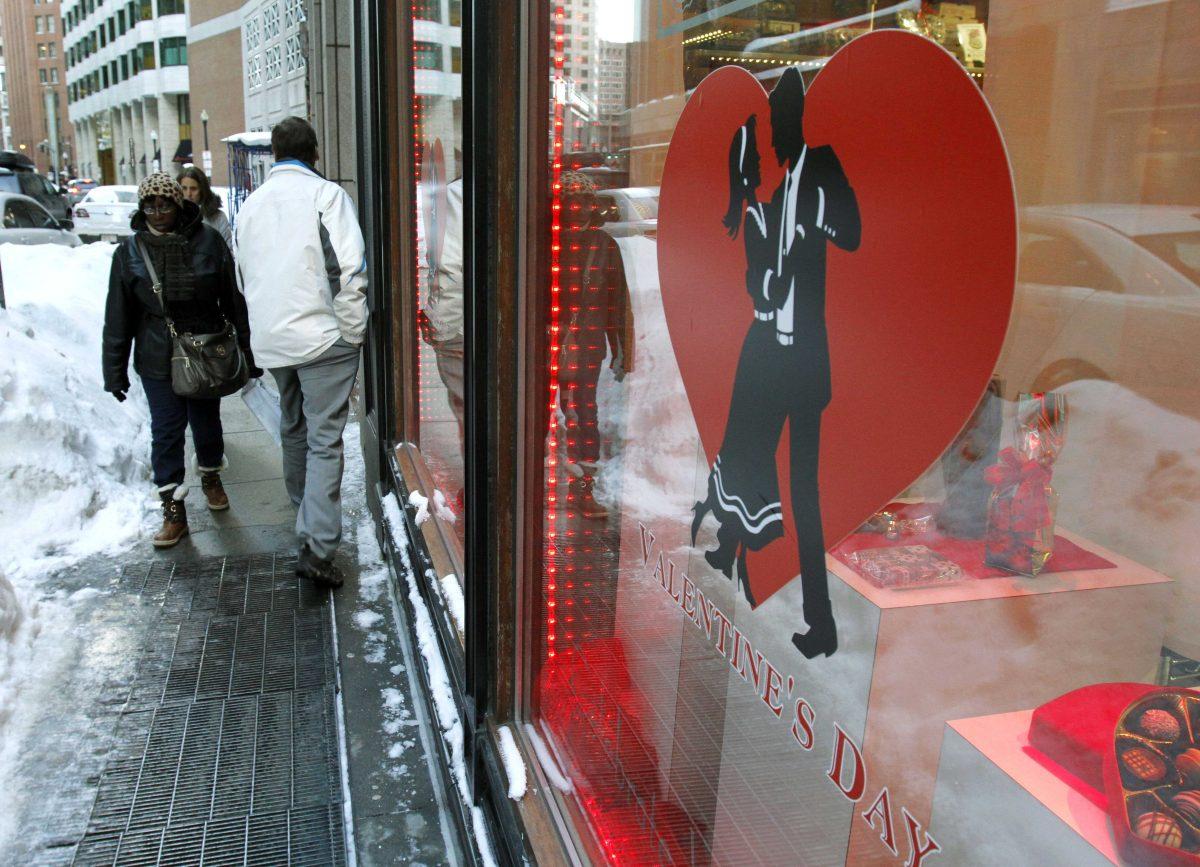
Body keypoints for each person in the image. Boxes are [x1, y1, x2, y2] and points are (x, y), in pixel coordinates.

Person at [234, 116, 367, 588]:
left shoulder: (249, 207)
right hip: (321, 338)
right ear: (314, 152)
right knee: (324, 438)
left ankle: (305, 523)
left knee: (294, 427)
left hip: (273, 340)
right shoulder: (325, 195)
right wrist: (352, 333)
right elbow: (352, 269)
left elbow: (242, 278)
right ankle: (317, 545)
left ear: (274, 153)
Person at [102, 172, 258, 547]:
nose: (157, 212)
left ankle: (210, 475)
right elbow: (118, 315)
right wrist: (114, 370)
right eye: (150, 205)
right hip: (157, 355)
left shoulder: (208, 240)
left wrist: (248, 352)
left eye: (164, 203)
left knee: (206, 423)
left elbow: (232, 299)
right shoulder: (129, 252)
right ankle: (173, 511)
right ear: (142, 209)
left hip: (204, 350)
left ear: (178, 204)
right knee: (166, 431)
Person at [557, 171, 634, 519]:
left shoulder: (605, 246)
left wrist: (621, 349)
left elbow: (617, 302)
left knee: (582, 413)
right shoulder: (547, 240)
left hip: (584, 344)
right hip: (550, 342)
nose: (578, 207)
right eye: (572, 200)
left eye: (584, 200)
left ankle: (582, 486)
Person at [178, 166, 234, 250]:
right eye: (184, 188)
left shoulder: (218, 217)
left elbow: (228, 252)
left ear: (202, 190)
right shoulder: (174, 216)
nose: (188, 194)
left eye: (193, 189)